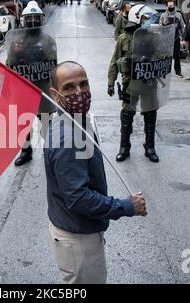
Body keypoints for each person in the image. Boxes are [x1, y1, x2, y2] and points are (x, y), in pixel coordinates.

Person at [45, 61, 147, 284]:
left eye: (84, 84)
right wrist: (127, 206)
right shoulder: (68, 137)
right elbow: (78, 197)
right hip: (78, 240)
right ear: (55, 94)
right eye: (69, 87)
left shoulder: (74, 121)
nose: (79, 93)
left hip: (77, 232)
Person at [108, 4, 171, 163]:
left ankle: (150, 147)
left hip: (149, 83)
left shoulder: (154, 36)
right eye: (145, 18)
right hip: (131, 84)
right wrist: (111, 82)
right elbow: (114, 61)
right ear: (136, 18)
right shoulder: (124, 38)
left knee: (150, 114)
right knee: (127, 115)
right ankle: (124, 147)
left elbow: (162, 56)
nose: (148, 21)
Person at [6, 1, 57, 166]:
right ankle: (26, 151)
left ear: (41, 19)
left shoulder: (47, 40)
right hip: (24, 88)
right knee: (23, 122)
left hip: (42, 86)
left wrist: (37, 56)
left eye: (36, 18)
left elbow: (53, 63)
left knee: (46, 120)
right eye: (30, 18)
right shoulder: (17, 41)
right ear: (24, 20)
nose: (33, 21)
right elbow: (9, 65)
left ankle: (49, 151)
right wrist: (17, 53)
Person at [159, 0, 185, 78]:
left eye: (173, 5)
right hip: (166, 38)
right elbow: (159, 26)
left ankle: (178, 72)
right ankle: (164, 71)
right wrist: (163, 24)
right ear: (167, 6)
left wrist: (183, 38)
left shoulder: (178, 15)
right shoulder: (163, 15)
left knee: (177, 56)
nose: (171, 7)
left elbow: (182, 27)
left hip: (176, 38)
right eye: (170, 6)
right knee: (165, 56)